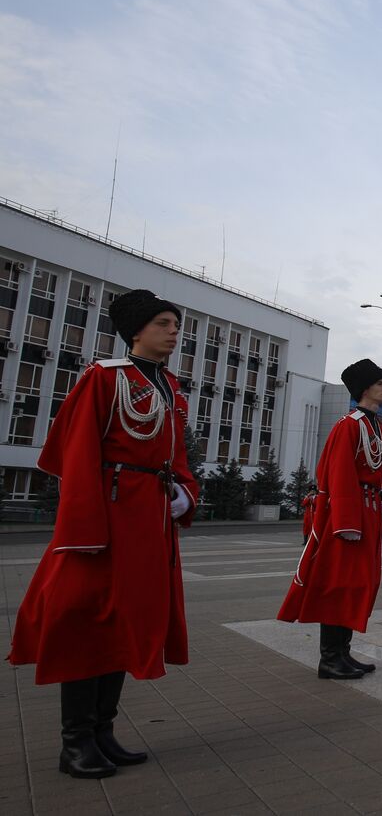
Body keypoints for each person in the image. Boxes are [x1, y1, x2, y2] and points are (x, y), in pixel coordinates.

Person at [8, 290, 199, 779]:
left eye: (175, 323)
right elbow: (75, 453)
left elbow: (176, 458)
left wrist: (184, 494)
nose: (174, 331)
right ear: (136, 331)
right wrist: (83, 528)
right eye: (164, 322)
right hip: (108, 519)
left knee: (124, 625)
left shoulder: (172, 389)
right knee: (86, 623)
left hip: (149, 520)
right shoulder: (104, 378)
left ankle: (103, 731)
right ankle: (75, 742)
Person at [278, 359, 382, 679]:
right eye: (379, 383)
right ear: (364, 389)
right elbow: (339, 473)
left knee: (357, 583)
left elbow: (380, 469)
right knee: (339, 583)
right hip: (352, 516)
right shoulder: (349, 425)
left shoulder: (374, 425)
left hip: (370, 511)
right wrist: (347, 522)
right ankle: (330, 658)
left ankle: (343, 652)